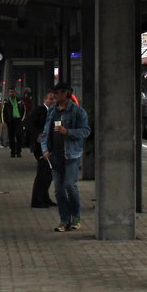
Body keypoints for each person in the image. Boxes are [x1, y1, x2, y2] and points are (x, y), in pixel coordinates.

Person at [41, 81, 91, 232]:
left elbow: (85, 131)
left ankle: (76, 217)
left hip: (71, 155)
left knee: (70, 185)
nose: (55, 96)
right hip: (55, 155)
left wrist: (68, 132)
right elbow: (46, 131)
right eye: (54, 93)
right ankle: (64, 220)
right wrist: (45, 149)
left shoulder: (78, 112)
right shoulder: (52, 111)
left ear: (66, 93)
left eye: (57, 93)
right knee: (58, 190)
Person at [26, 90, 56, 208]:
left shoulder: (54, 112)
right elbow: (28, 123)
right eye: (50, 98)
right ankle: (37, 200)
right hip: (40, 147)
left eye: (54, 99)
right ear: (45, 100)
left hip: (49, 146)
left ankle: (45, 198)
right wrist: (37, 133)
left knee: (48, 174)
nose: (53, 101)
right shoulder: (39, 110)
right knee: (42, 173)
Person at [2, 87, 26, 157]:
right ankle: (12, 151)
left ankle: (18, 151)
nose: (11, 93)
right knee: (11, 137)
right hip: (10, 121)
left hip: (18, 120)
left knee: (19, 135)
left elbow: (24, 109)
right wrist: (4, 121)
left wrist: (22, 119)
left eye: (13, 92)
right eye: (10, 92)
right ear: (8, 93)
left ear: (15, 92)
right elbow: (3, 112)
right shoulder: (6, 102)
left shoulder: (19, 100)